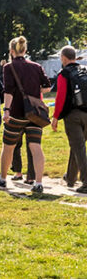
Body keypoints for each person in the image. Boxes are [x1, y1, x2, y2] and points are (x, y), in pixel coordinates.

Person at [0, 36, 49, 192]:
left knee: (9, 146)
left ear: (11, 51)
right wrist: (33, 90)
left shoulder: (8, 67)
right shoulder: (36, 67)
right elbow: (47, 87)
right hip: (34, 114)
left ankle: (3, 178)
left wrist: (6, 110)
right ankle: (38, 182)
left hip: (17, 113)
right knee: (36, 147)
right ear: (25, 50)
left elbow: (9, 91)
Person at [52, 45, 87, 192]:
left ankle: (86, 182)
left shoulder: (64, 74)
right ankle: (71, 178)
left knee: (78, 148)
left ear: (64, 58)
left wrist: (55, 117)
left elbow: (60, 97)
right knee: (77, 146)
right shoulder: (84, 70)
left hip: (72, 115)